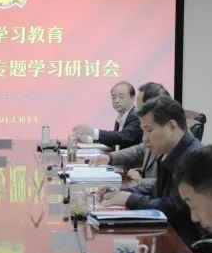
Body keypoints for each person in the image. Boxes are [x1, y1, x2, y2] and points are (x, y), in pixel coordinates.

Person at [97, 95, 203, 243]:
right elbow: (157, 188)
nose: (144, 139)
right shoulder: (171, 151)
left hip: (184, 242)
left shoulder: (194, 159)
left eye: (149, 130)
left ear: (172, 126)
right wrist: (122, 192)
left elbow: (175, 209)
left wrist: (130, 199)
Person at [86, 81, 170, 186]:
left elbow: (170, 184)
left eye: (140, 109)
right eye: (114, 97)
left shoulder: (174, 141)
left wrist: (141, 181)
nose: (137, 112)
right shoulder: (152, 128)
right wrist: (110, 158)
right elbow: (140, 150)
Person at [72, 81, 142, 149]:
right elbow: (115, 141)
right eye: (114, 97)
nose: (116, 101)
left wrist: (93, 132)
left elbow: (124, 137)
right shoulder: (121, 118)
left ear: (132, 98)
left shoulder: (136, 115)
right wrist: (89, 140)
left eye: (121, 97)